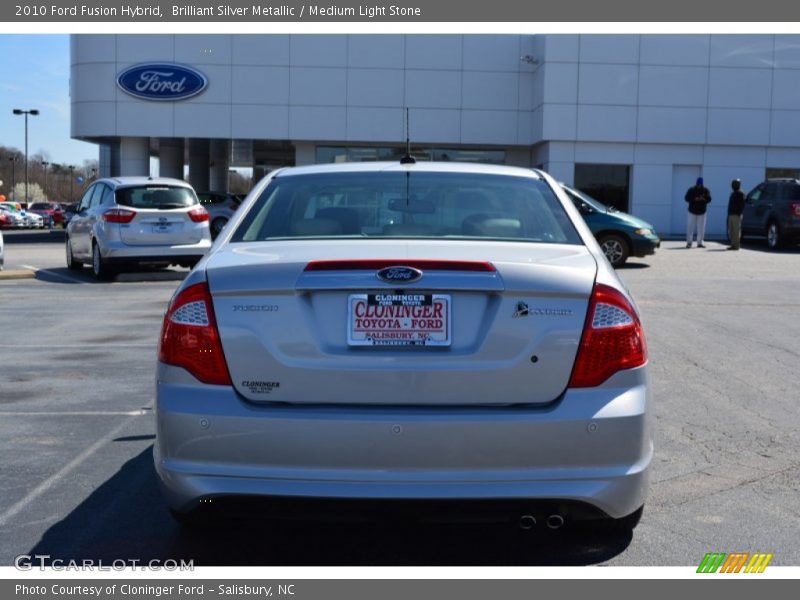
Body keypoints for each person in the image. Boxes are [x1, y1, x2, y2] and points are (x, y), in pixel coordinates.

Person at [685, 177, 711, 248]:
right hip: (692, 211)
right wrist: (694, 199)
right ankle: (689, 243)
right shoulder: (691, 189)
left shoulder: (705, 190)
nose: (699, 185)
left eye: (700, 184)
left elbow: (709, 199)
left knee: (701, 228)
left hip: (702, 212)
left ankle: (700, 243)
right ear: (696, 183)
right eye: (698, 184)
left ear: (702, 184)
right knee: (690, 227)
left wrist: (703, 199)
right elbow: (686, 198)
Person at [726, 178, 745, 250]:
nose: (733, 185)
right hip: (730, 214)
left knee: (736, 231)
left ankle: (736, 245)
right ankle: (733, 244)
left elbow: (742, 205)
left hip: (736, 215)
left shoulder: (741, 193)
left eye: (735, 184)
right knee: (731, 230)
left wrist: (739, 213)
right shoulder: (732, 193)